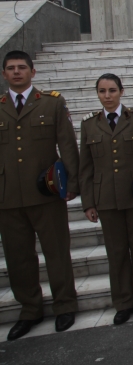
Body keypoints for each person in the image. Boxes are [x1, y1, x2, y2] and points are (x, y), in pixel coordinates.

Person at [0, 51, 79, 340]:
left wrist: (72, 182)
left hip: (46, 192)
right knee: (18, 257)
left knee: (56, 251)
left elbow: (67, 145)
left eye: (22, 67)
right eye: (11, 68)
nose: (17, 72)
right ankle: (30, 309)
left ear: (33, 72)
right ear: (4, 74)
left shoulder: (52, 103)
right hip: (7, 197)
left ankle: (65, 305)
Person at [79, 73, 133, 325]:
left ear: (121, 92)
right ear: (97, 94)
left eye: (112, 90)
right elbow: (85, 167)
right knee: (116, 253)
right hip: (105, 198)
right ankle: (123, 302)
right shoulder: (89, 125)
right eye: (102, 91)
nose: (107, 96)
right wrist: (88, 203)